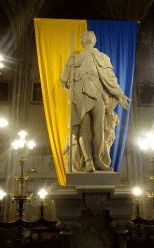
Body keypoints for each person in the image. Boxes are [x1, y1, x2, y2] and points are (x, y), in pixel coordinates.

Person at [60, 30, 131, 173]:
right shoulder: (74, 59)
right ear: (81, 41)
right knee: (84, 127)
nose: (88, 38)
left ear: (95, 40)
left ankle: (97, 159)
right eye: (85, 37)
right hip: (80, 94)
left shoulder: (103, 57)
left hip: (98, 93)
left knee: (99, 126)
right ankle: (88, 162)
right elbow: (63, 80)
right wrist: (68, 65)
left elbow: (110, 78)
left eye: (91, 36)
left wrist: (120, 95)